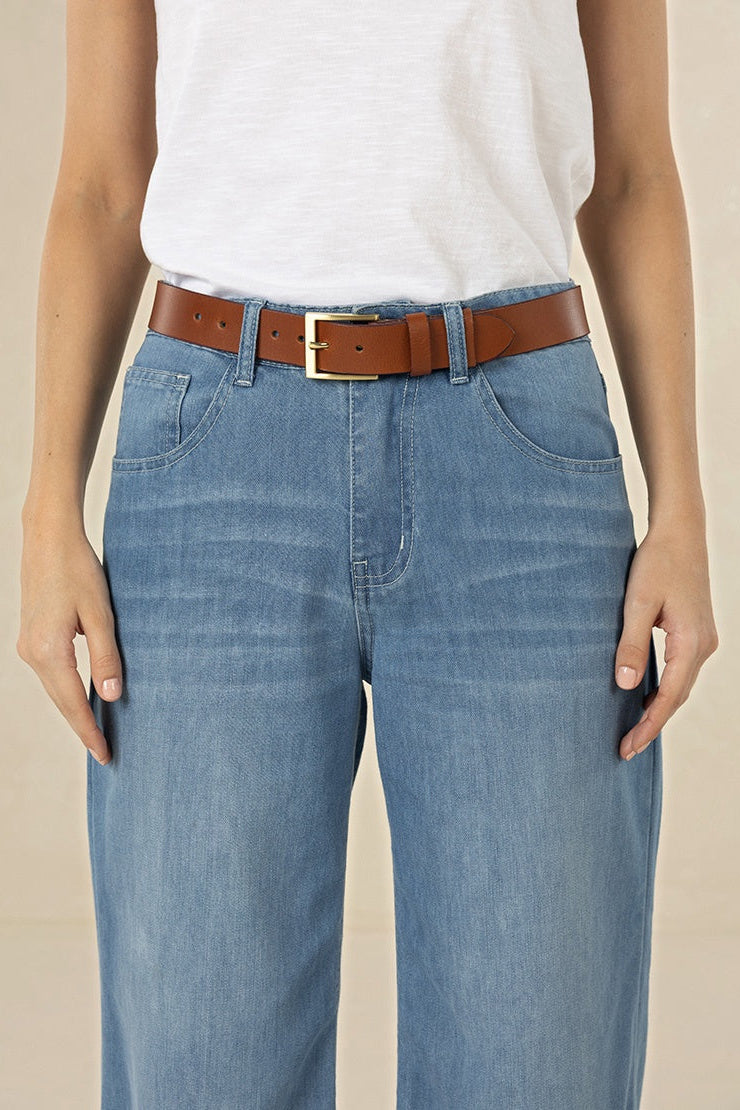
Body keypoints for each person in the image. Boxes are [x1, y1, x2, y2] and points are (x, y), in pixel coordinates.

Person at [18, 0, 719, 1106]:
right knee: (203, 1067)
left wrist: (679, 507)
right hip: (212, 462)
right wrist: (46, 511)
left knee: (539, 1062)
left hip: (519, 462)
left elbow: (630, 175)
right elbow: (103, 182)